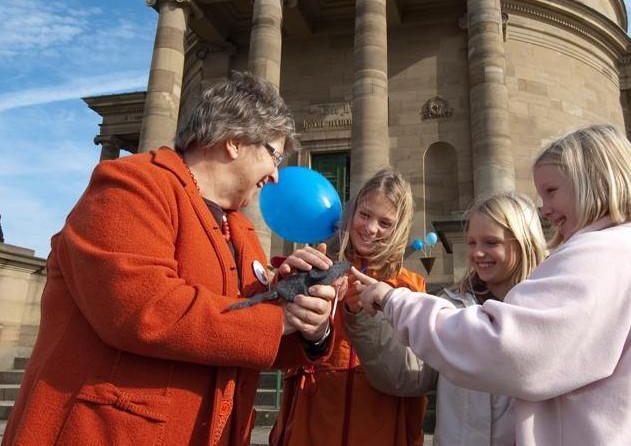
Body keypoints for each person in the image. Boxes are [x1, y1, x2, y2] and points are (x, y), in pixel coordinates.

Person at [3, 72, 340, 446]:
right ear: (234, 142)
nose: (276, 175)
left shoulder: (240, 229)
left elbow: (245, 336)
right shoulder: (132, 186)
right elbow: (141, 307)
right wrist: (277, 319)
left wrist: (307, 318)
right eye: (274, 155)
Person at [354, 124, 631, 446]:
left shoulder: (605, 253)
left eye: (552, 191)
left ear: (594, 181)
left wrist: (394, 300)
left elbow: (506, 349)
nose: (546, 209)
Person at [346, 192, 547, 445]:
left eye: (491, 242)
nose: (478, 253)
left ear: (523, 242)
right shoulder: (450, 304)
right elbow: (410, 376)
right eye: (472, 243)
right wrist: (365, 317)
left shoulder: (548, 308)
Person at [269, 169, 427, 446]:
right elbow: (280, 338)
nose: (370, 228)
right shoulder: (319, 268)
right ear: (352, 213)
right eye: (364, 215)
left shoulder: (411, 287)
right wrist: (289, 283)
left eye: (385, 223)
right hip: (312, 419)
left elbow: (411, 372)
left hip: (379, 424)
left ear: (399, 228)